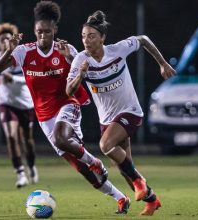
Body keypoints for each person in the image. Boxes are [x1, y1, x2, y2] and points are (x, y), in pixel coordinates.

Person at [0, 1, 130, 214]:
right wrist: (8, 51)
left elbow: (83, 74)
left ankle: (94, 160)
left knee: (61, 138)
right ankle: (120, 198)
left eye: (47, 31)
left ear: (55, 30)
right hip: (44, 117)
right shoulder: (23, 52)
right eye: (39, 32)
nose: (43, 36)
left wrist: (70, 58)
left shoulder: (66, 50)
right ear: (34, 31)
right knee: (82, 170)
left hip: (68, 105)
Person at [66, 10, 176, 216]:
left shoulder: (117, 50)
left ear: (102, 38)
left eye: (91, 36)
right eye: (83, 36)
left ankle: (140, 182)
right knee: (124, 168)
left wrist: (162, 63)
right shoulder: (80, 60)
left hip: (130, 111)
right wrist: (80, 75)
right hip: (107, 119)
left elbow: (143, 40)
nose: (86, 40)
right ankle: (152, 200)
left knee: (105, 145)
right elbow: (69, 91)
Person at [0, 23, 38, 188]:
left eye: (8, 39)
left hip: (26, 103)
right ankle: (20, 173)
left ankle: (31, 166)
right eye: (2, 40)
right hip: (6, 103)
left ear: (12, 41)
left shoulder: (20, 57)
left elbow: (30, 79)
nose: (4, 42)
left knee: (27, 140)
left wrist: (13, 79)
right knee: (10, 136)